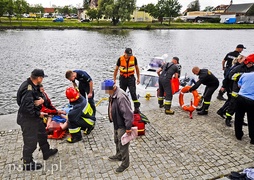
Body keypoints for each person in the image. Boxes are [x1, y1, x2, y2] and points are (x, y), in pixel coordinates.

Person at [16, 69, 58, 171]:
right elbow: (26, 108)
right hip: (28, 120)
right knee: (30, 142)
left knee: (42, 134)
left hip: (34, 118)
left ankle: (46, 151)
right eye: (42, 78)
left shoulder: (32, 85)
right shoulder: (28, 89)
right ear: (39, 78)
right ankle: (27, 162)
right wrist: (39, 113)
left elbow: (22, 101)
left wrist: (40, 101)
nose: (42, 80)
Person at [101, 79, 133, 173]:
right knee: (116, 140)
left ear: (112, 88)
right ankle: (118, 155)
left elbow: (128, 113)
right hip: (116, 122)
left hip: (122, 124)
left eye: (107, 90)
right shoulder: (112, 95)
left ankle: (125, 163)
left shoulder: (120, 97)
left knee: (123, 144)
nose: (106, 92)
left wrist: (128, 127)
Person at [224, 54, 254, 126]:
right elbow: (230, 76)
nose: (252, 64)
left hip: (246, 90)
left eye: (253, 63)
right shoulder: (239, 68)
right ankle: (228, 118)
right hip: (236, 89)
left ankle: (241, 120)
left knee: (243, 107)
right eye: (251, 63)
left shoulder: (252, 68)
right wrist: (240, 76)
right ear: (247, 62)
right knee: (232, 104)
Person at [113, 48, 141, 113]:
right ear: (124, 53)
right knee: (122, 94)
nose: (129, 56)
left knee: (133, 93)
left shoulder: (134, 58)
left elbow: (137, 68)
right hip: (123, 78)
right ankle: (121, 107)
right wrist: (114, 79)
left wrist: (138, 78)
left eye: (130, 55)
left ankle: (137, 108)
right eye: (128, 54)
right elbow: (116, 70)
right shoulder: (120, 59)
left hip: (131, 78)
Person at [234, 71, 254, 144]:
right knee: (252, 119)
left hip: (241, 97)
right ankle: (252, 138)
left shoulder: (245, 75)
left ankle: (238, 135)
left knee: (238, 117)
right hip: (252, 100)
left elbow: (239, 85)